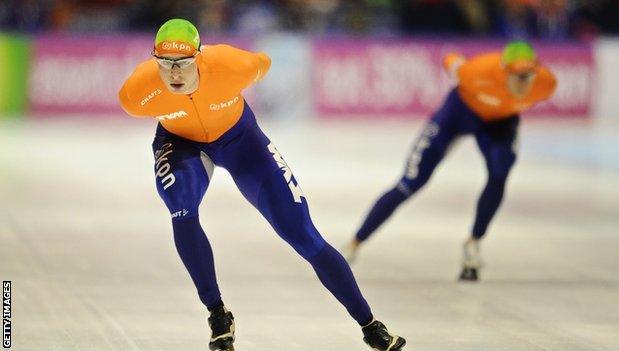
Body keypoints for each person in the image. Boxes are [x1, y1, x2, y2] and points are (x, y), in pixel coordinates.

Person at [118, 18, 406, 351]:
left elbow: (264, 62)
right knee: (181, 207)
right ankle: (217, 312)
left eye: (182, 63)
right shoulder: (137, 92)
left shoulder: (231, 65)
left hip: (242, 142)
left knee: (301, 233)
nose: (174, 73)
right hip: (182, 142)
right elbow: (141, 98)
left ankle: (368, 323)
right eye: (165, 64)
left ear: (199, 57)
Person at [345, 41, 557, 282]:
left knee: (500, 172)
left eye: (528, 75)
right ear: (504, 70)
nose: (523, 82)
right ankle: (355, 242)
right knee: (411, 182)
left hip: (499, 122)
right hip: (458, 114)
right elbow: (450, 58)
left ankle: (474, 242)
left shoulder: (546, 84)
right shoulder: (476, 71)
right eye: (518, 75)